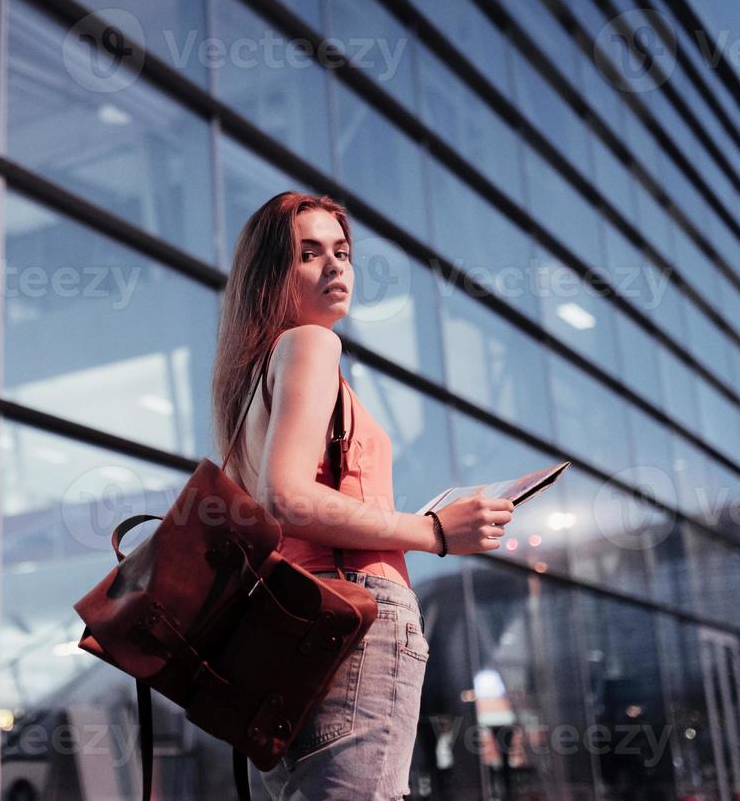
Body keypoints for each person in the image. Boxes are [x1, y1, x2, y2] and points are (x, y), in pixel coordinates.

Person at [214, 192, 515, 800]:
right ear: (272, 272)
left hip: (285, 630)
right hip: (352, 613)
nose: (336, 268)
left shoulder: (247, 380)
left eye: (343, 253)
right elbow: (289, 498)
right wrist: (434, 531)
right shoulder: (310, 346)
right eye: (309, 254)